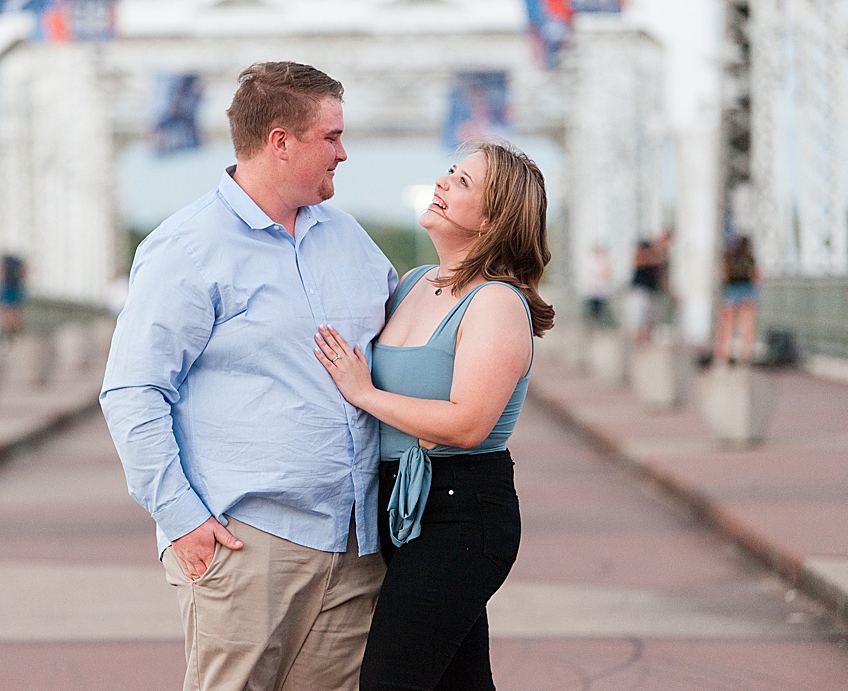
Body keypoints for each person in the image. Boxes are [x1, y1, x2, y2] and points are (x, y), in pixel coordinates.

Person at [100, 61, 397, 691]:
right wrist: (181, 519)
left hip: (355, 541)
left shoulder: (350, 240)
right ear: (280, 141)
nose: (344, 153)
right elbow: (133, 391)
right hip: (244, 544)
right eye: (331, 137)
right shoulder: (186, 248)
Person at [314, 141, 553, 690]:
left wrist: (364, 393)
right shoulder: (415, 282)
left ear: (494, 220)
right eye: (450, 171)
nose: (443, 183)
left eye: (464, 183)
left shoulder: (496, 302)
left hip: (462, 515)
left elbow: (469, 424)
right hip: (402, 507)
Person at [714, 235, 759, 365]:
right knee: (747, 325)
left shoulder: (729, 257)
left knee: (727, 325)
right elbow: (756, 275)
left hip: (731, 291)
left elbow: (724, 273)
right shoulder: (750, 259)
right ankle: (746, 354)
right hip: (747, 291)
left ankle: (724, 353)